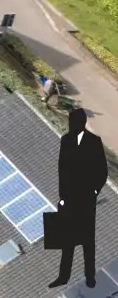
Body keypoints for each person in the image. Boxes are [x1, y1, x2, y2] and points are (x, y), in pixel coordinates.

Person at [57, 107, 107, 289]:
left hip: (86, 198)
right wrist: (62, 197)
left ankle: (90, 277)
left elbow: (102, 170)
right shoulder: (66, 140)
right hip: (70, 198)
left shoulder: (94, 142)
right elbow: (62, 170)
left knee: (87, 240)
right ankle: (63, 276)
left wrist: (95, 191)